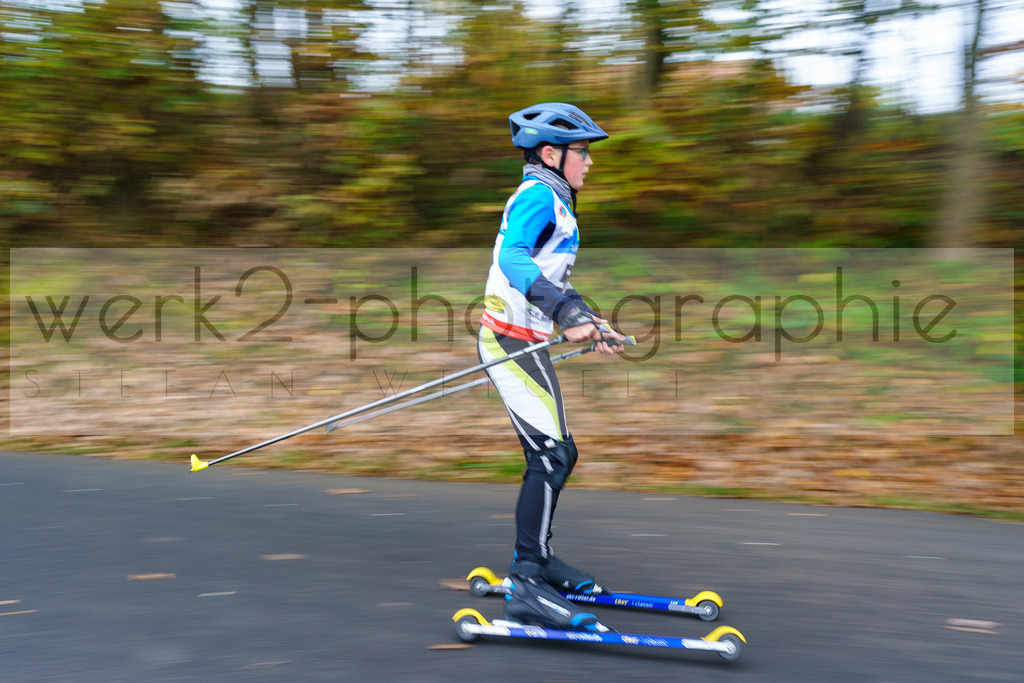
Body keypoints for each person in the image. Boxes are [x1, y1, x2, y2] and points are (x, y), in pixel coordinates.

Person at [477, 102, 625, 630]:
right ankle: (527, 581)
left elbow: (549, 276)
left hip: (527, 342)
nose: (589, 162)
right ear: (550, 153)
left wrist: (585, 317)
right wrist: (564, 312)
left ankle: (537, 560)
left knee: (557, 453)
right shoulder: (539, 194)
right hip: (509, 342)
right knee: (552, 454)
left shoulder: (557, 200)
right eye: (582, 153)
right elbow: (512, 258)